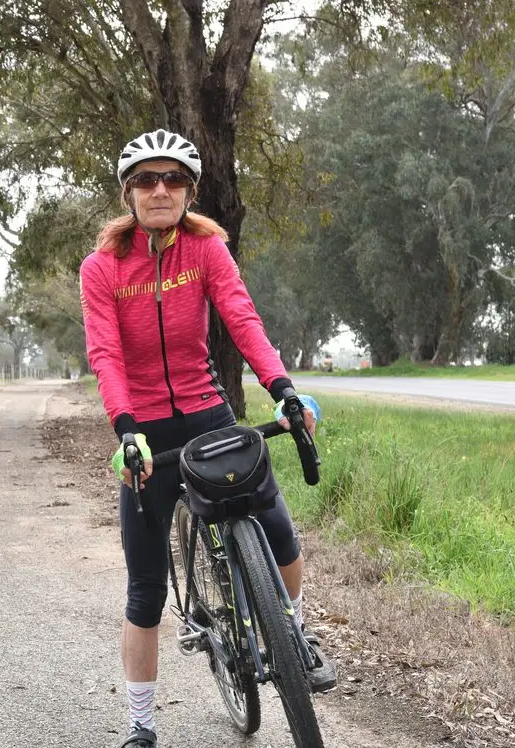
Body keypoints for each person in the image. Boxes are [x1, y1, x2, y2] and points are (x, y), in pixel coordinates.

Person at [78, 129, 336, 748]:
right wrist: (125, 429)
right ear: (129, 193)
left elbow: (242, 319)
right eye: (146, 179)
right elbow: (105, 353)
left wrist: (283, 389)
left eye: (172, 180)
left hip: (207, 412)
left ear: (189, 191)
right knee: (144, 588)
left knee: (279, 533)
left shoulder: (206, 251)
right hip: (143, 430)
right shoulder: (103, 267)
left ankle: (289, 630)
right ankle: (142, 724)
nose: (159, 190)